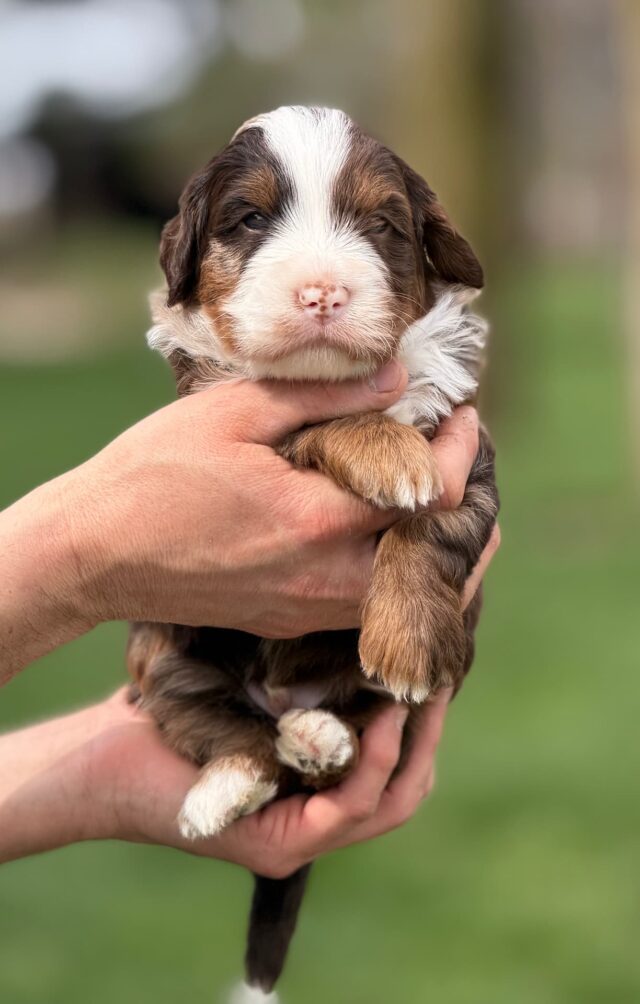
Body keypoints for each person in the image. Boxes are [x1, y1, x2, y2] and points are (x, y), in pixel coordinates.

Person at [0, 360, 499, 875]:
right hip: (217, 678)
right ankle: (250, 751)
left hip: (356, 689)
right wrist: (75, 561)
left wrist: (101, 783)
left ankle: (318, 750)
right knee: (180, 678)